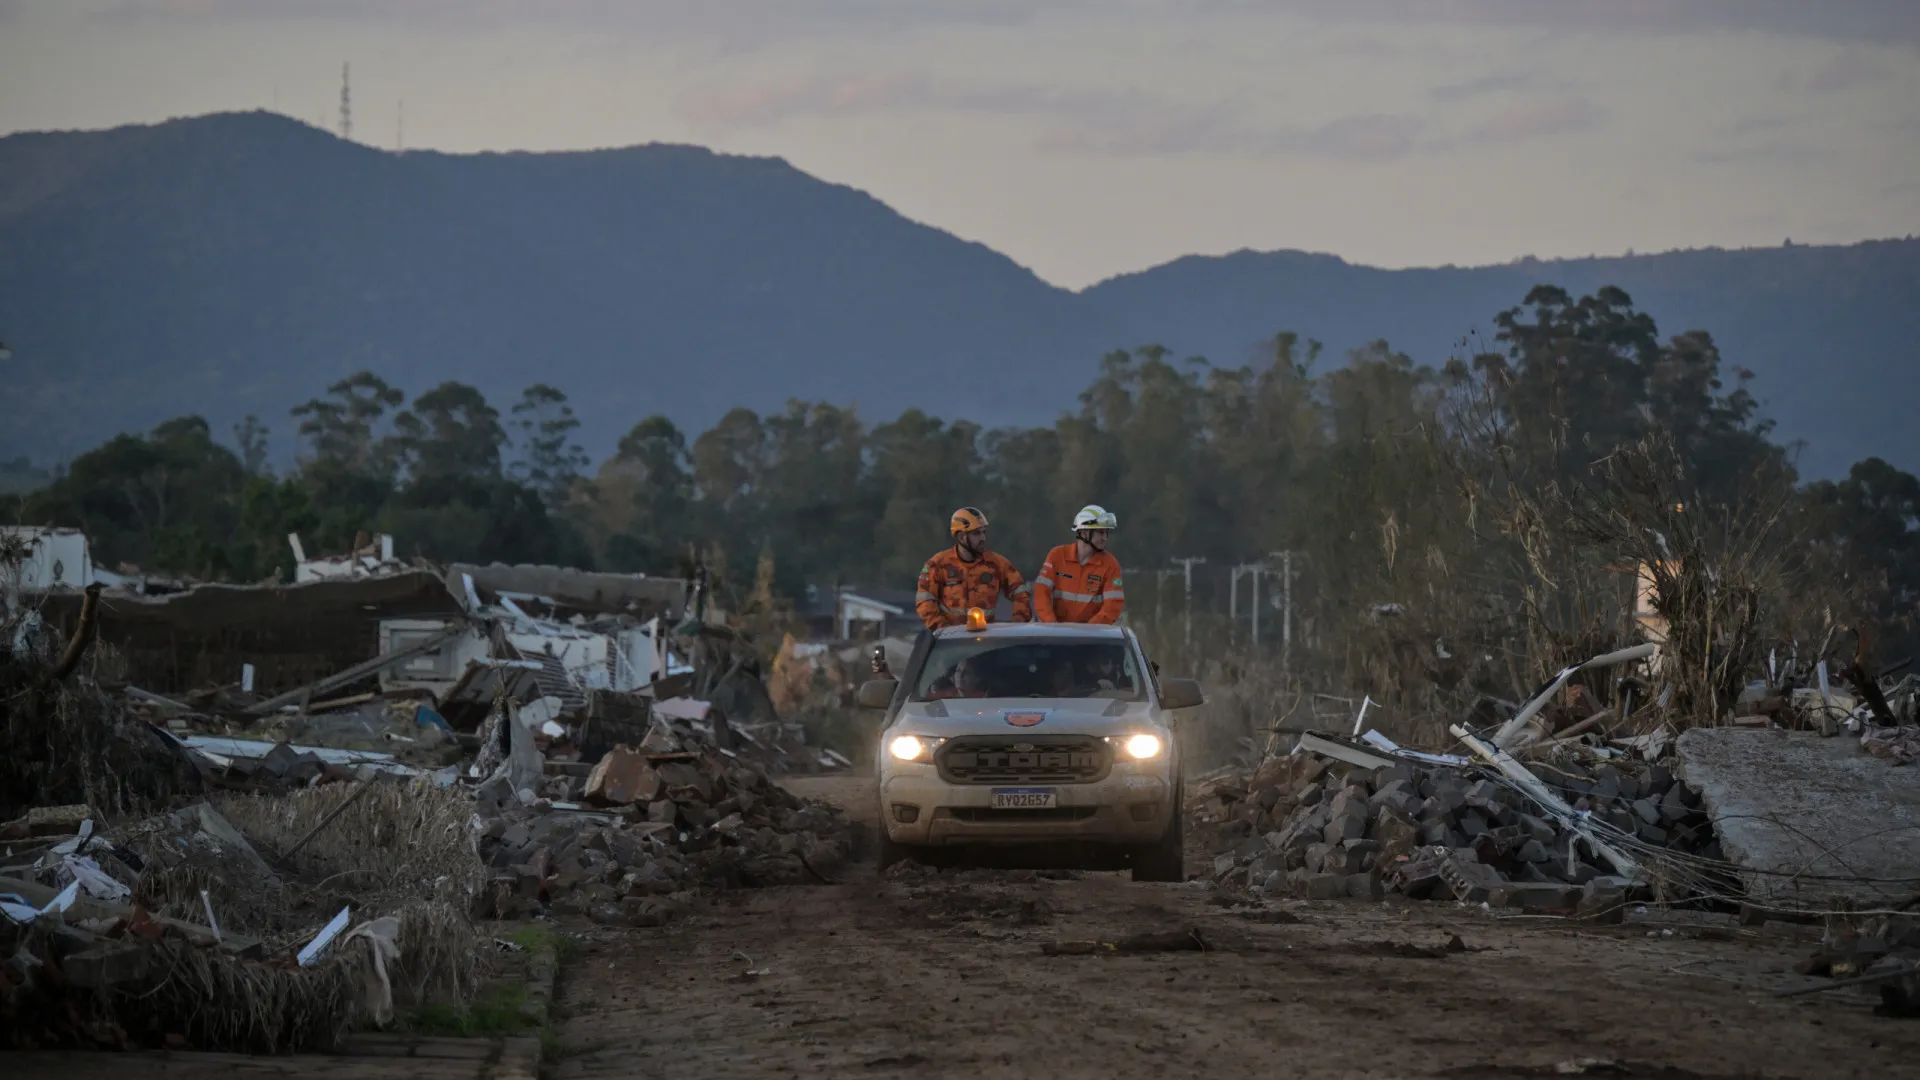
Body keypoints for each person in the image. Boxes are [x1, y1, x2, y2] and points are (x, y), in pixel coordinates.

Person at [915, 506, 1032, 630]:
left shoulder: (997, 564)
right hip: (949, 640)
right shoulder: (938, 565)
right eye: (976, 533)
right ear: (961, 537)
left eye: (983, 532)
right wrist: (941, 629)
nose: (982, 538)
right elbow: (924, 602)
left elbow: (1021, 594)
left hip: (986, 639)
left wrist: (1017, 626)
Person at [1033, 504, 1125, 624]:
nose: (1105, 538)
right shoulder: (1057, 555)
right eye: (1101, 532)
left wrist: (1086, 632)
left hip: (1091, 637)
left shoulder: (1110, 565)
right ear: (1084, 533)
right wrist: (1052, 625)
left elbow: (1113, 606)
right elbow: (1041, 592)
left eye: (1106, 533)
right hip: (1054, 634)